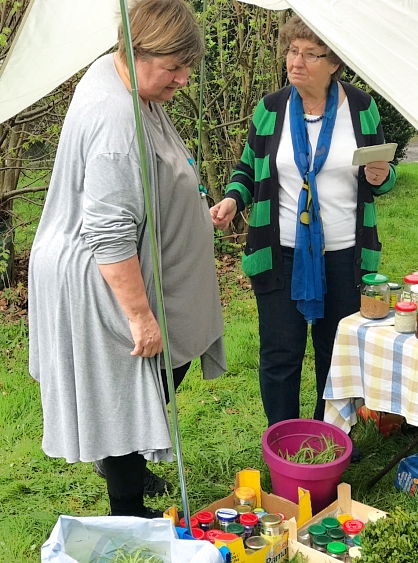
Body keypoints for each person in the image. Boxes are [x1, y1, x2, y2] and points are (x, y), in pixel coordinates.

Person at [28, 0, 226, 519]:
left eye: (188, 67)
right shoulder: (116, 124)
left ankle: (128, 461)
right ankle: (128, 510)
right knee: (125, 388)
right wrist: (140, 317)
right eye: (174, 67)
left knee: (150, 382)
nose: (183, 79)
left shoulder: (122, 75)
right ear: (136, 52)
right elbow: (110, 232)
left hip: (129, 266)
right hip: (102, 278)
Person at [210, 15, 395, 430]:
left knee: (336, 353)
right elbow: (247, 168)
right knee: (280, 353)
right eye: (293, 51)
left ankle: (328, 436)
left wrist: (382, 176)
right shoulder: (270, 108)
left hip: (345, 253)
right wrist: (232, 199)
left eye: (311, 54)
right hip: (281, 252)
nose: (296, 62)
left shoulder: (361, 108)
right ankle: (283, 438)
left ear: (334, 63)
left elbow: (382, 172)